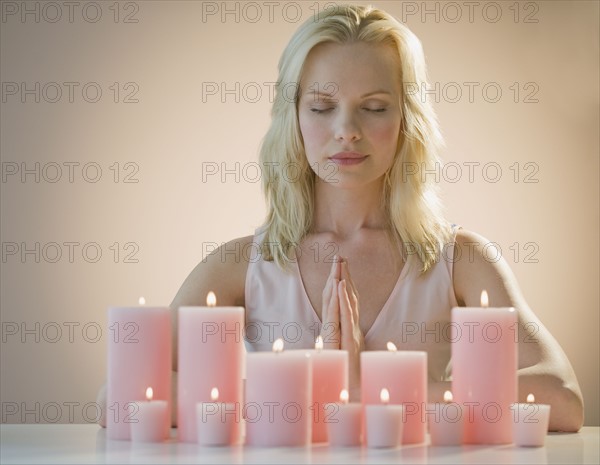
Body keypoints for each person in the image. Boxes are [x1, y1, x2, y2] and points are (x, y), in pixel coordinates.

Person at [99, 4, 583, 432]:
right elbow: (118, 399)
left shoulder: (460, 261)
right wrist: (316, 391)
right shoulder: (242, 265)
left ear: (406, 121)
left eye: (373, 108)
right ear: (294, 119)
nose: (346, 131)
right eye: (322, 107)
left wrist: (361, 383)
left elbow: (561, 399)